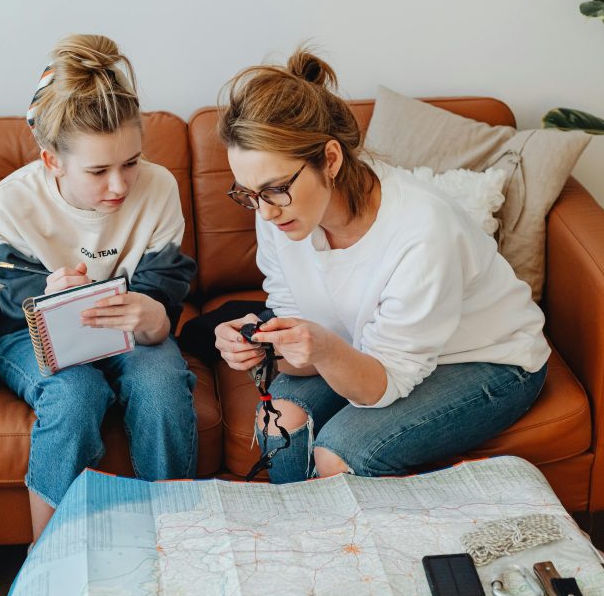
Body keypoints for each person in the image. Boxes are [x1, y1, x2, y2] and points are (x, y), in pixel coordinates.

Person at [213, 49, 550, 484]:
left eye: (276, 189)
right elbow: (307, 342)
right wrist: (264, 345)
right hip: (369, 351)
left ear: (330, 160)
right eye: (248, 194)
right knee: (279, 422)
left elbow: (380, 384)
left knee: (341, 456)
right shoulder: (279, 214)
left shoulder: (421, 230)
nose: (264, 213)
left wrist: (321, 347)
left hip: (486, 359)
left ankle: (352, 549)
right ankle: (304, 543)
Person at [0, 34, 198, 539]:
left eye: (131, 162)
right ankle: (47, 555)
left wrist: (156, 318)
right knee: (75, 395)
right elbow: (16, 306)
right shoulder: (12, 203)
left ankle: (174, 539)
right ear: (52, 161)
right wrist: (47, 299)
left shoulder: (159, 187)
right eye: (99, 170)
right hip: (32, 335)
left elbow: (164, 283)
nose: (120, 185)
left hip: (131, 331)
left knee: (162, 386)